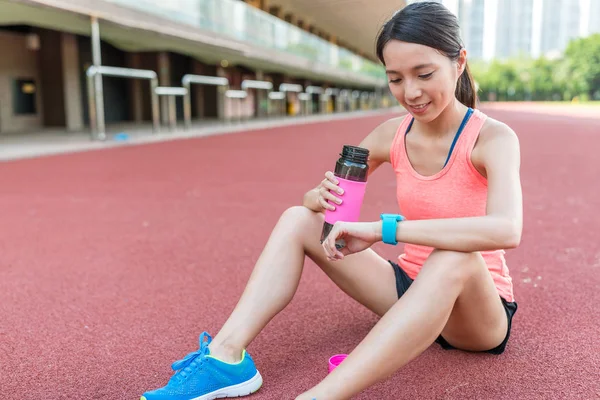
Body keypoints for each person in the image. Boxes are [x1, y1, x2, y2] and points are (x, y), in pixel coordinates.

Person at [140, 2, 522, 399]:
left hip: (476, 313)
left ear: (459, 62)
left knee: (452, 255)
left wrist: (381, 230)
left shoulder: (492, 138)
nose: (410, 92)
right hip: (407, 289)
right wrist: (318, 196)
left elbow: (506, 229)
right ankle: (225, 357)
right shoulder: (391, 133)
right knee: (296, 218)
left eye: (424, 74)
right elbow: (320, 203)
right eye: (395, 78)